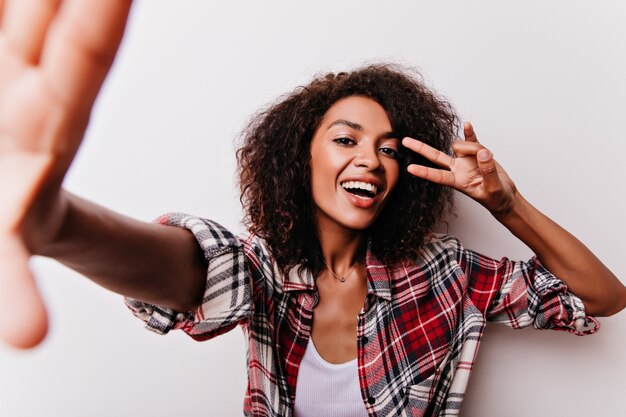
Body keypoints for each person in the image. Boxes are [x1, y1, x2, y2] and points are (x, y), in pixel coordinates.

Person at [0, 1, 624, 417]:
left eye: (387, 149)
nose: (370, 162)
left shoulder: (444, 275)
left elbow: (602, 296)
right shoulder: (265, 270)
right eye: (346, 140)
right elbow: (190, 273)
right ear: (300, 158)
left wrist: (506, 202)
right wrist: (57, 222)